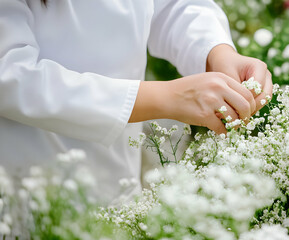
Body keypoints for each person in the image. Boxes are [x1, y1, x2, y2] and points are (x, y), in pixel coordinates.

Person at [0, 0, 273, 202]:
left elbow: (170, 6)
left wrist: (217, 51)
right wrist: (165, 97)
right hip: (27, 173)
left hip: (117, 171)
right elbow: (10, 72)